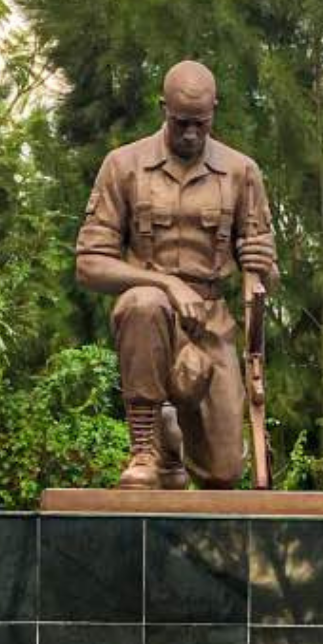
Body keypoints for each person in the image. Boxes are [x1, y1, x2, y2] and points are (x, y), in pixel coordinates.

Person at [74, 60, 280, 489]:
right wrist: (165, 282)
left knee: (224, 474)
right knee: (143, 304)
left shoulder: (242, 172)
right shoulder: (124, 165)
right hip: (152, 315)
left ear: (214, 112)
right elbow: (89, 263)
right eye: (181, 122)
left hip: (211, 320)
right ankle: (145, 449)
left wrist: (265, 265)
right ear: (163, 107)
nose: (190, 133)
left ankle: (174, 444)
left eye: (200, 124)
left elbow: (266, 280)